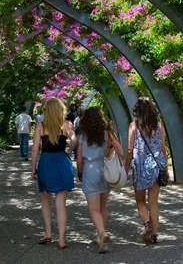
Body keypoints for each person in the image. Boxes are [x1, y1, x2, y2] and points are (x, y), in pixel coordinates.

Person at [30, 98, 77, 249]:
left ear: (46, 110)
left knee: (45, 199)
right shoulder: (66, 124)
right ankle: (62, 240)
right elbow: (75, 140)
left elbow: (35, 149)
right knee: (61, 202)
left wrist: (33, 168)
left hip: (46, 163)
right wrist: (69, 150)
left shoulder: (41, 126)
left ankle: (48, 233)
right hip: (62, 163)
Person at [76, 108, 124, 253]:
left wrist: (79, 173)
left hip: (90, 172)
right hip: (105, 170)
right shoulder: (107, 133)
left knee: (94, 209)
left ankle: (102, 233)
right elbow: (121, 152)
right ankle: (99, 234)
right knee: (103, 207)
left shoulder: (83, 136)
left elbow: (79, 160)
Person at [126, 97, 168, 245]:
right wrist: (166, 167)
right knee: (154, 202)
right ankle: (155, 233)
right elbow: (163, 148)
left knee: (140, 201)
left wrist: (125, 167)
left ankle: (147, 224)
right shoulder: (158, 125)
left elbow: (130, 150)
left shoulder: (133, 126)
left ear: (136, 110)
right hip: (156, 167)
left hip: (140, 168)